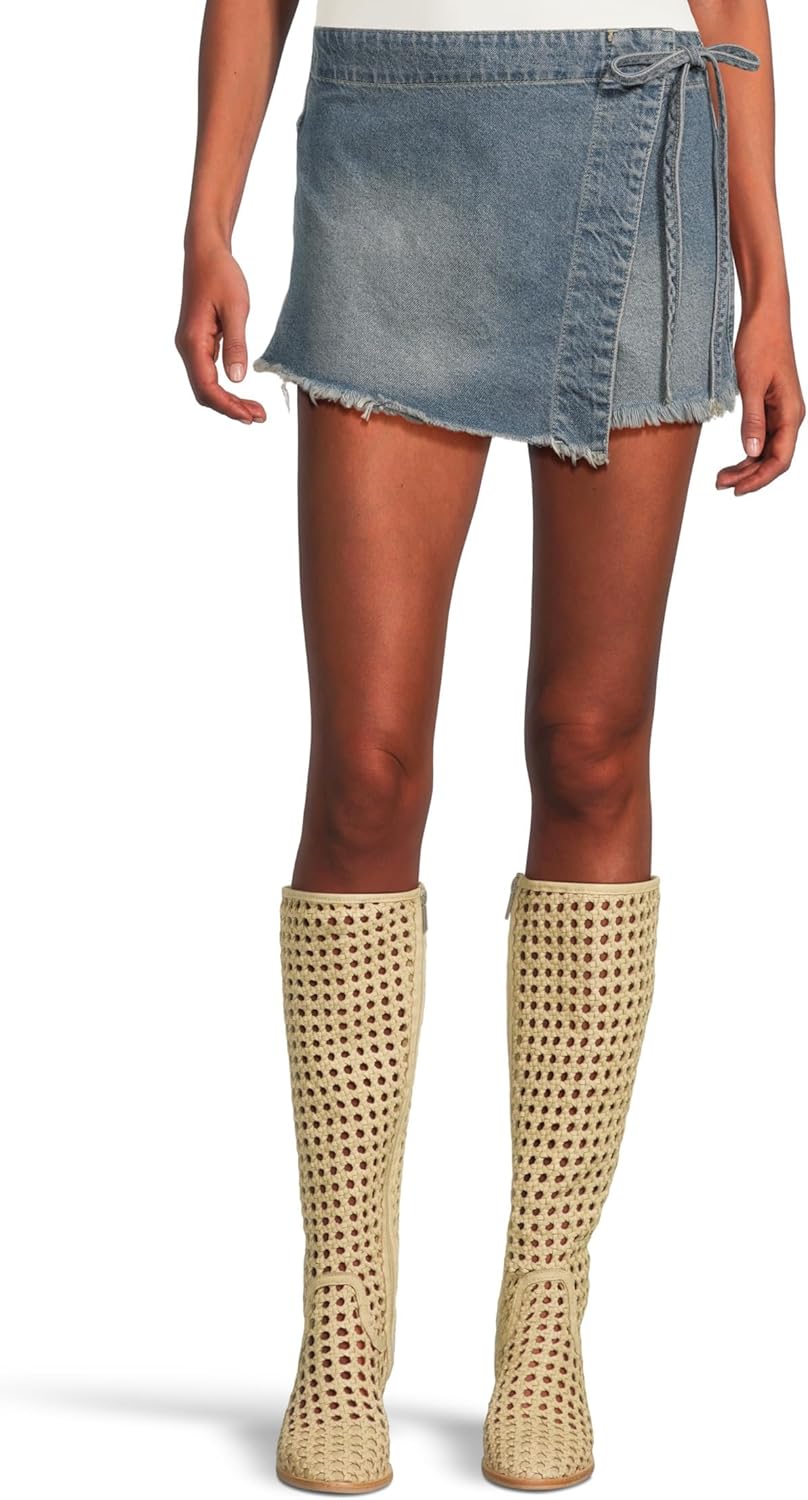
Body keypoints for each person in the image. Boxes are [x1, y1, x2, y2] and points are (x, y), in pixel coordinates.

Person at [175, 0, 803, 1491]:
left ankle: (543, 1328)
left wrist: (768, 272)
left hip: (636, 135)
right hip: (390, 139)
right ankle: (341, 1330)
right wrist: (208, 216)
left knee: (592, 744)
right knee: (366, 769)